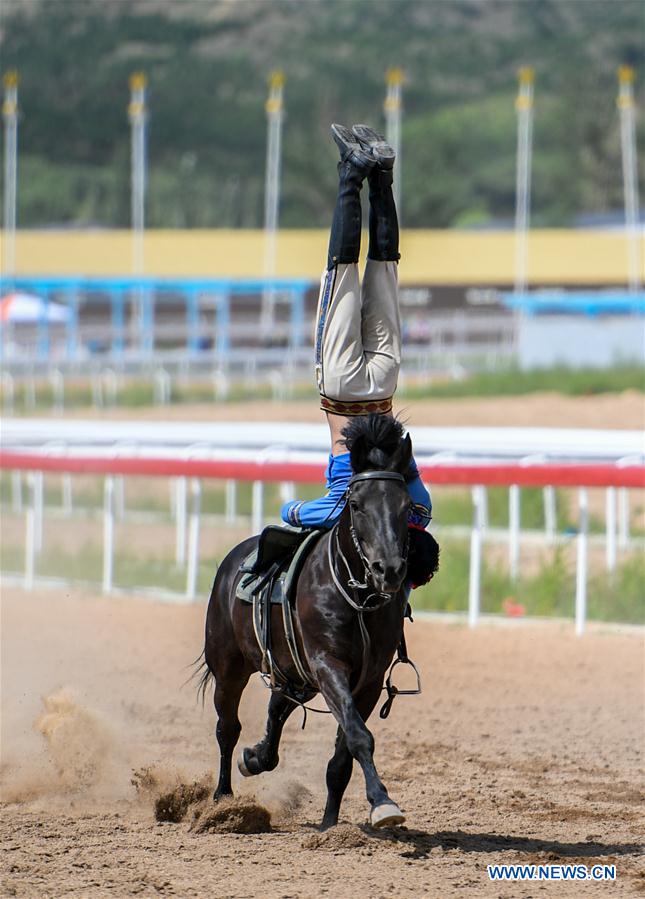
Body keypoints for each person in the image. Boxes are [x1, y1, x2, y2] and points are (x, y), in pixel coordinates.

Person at [281, 124, 435, 586]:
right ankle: (351, 173)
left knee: (385, 267)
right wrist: (290, 509)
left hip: (385, 386)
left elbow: (423, 507)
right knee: (342, 270)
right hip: (342, 388)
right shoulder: (352, 497)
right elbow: (314, 512)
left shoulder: (412, 499)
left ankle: (382, 175)